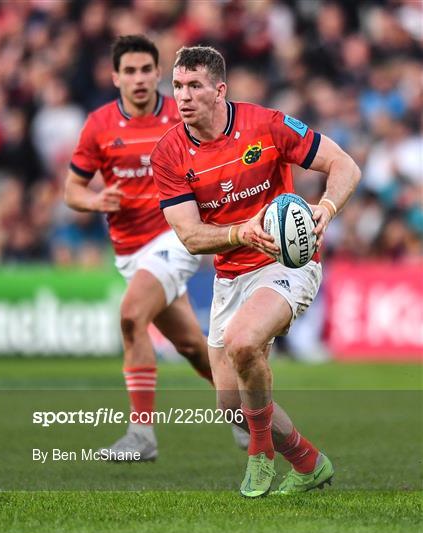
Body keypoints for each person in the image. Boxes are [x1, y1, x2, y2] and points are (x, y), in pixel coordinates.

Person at [151, 46, 361, 496]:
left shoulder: (266, 124)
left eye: (195, 86)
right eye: (177, 87)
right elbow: (190, 235)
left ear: (219, 90)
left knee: (244, 341)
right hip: (232, 273)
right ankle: (308, 463)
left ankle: (260, 455)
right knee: (231, 404)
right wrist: (239, 233)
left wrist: (325, 208)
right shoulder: (169, 154)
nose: (183, 96)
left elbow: (345, 165)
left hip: (287, 263)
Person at [65, 35, 248, 461]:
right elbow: (72, 188)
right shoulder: (99, 125)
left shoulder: (181, 115)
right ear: (115, 77)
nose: (139, 79)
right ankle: (247, 416)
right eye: (129, 71)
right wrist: (94, 201)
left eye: (147, 69)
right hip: (130, 251)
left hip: (175, 239)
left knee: (131, 317)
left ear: (157, 73)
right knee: (191, 347)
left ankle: (141, 435)